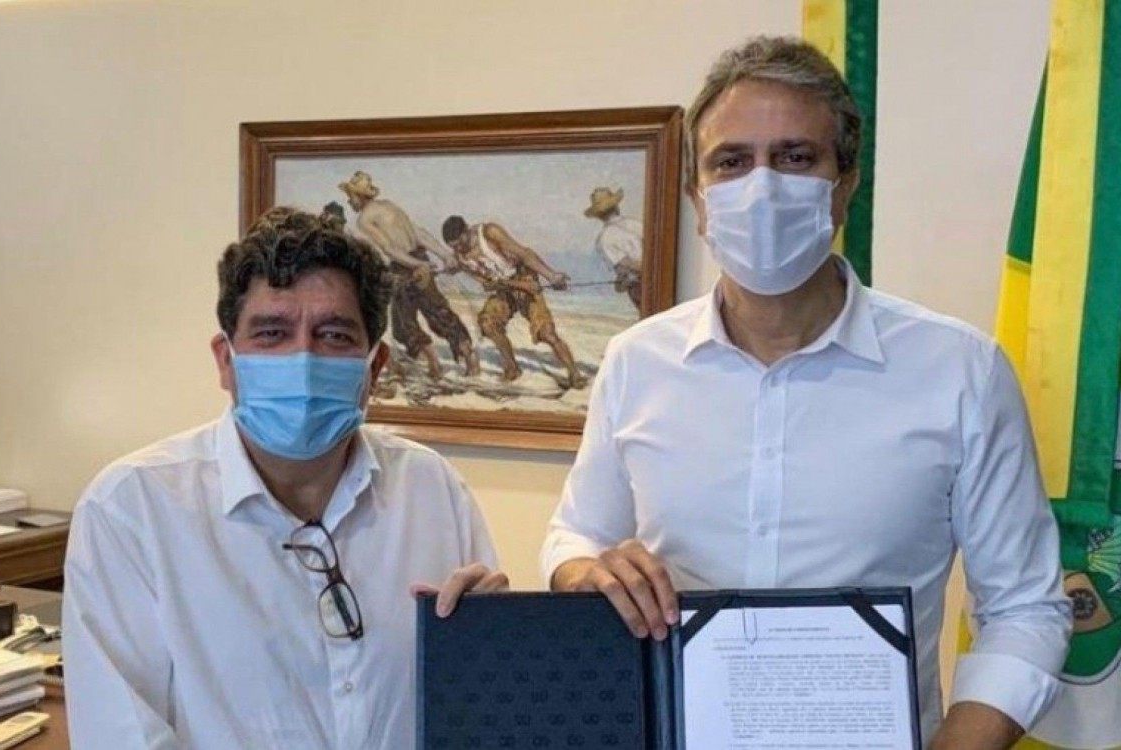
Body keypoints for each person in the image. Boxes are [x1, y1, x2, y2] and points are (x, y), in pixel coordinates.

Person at [541, 36, 1070, 750]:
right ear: (699, 198)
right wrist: (583, 570)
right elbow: (576, 535)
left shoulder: (961, 371)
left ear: (845, 185)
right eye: (732, 161)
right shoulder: (638, 362)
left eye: (795, 157)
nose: (761, 187)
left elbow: (1026, 609)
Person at [63, 208, 506, 749]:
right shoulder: (131, 509)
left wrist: (497, 644)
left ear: (375, 367)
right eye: (271, 333)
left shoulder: (432, 489)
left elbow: (484, 709)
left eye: (334, 335)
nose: (303, 359)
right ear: (226, 361)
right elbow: (120, 736)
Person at [339, 171, 479, 379]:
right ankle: (469, 360)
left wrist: (417, 265)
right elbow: (419, 234)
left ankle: (434, 363)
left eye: (350, 197)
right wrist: (443, 255)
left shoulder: (364, 219)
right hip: (418, 258)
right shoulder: (389, 206)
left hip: (404, 266)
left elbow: (389, 249)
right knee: (438, 312)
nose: (350, 202)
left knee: (404, 323)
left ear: (358, 196)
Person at [442, 214, 586, 388]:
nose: (459, 249)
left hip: (524, 277)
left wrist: (551, 276)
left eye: (460, 243)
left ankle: (574, 374)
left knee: (546, 333)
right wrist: (515, 285)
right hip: (506, 288)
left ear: (467, 230)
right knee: (487, 323)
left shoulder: (489, 232)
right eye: (454, 247)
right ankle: (512, 369)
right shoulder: (460, 258)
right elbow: (488, 285)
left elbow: (525, 255)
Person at [584, 186, 643, 311]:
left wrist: (621, 281)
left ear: (599, 216)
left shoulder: (604, 239)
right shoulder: (636, 223)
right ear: (616, 207)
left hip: (640, 287)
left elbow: (626, 265)